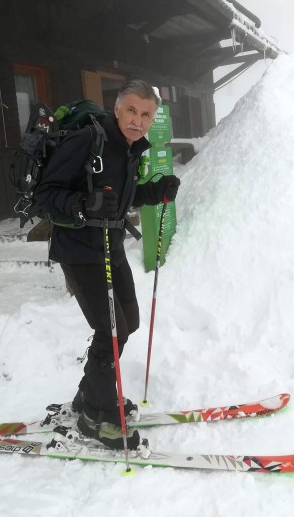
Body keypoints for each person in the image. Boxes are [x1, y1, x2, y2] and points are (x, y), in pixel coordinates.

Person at [35, 80, 180, 450]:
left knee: (126, 322)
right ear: (117, 109)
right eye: (132, 110)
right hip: (81, 252)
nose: (138, 121)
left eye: (146, 114)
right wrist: (84, 206)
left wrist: (155, 192)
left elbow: (119, 200)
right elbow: (46, 195)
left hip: (110, 248)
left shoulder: (129, 149)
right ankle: (97, 417)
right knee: (110, 329)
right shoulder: (89, 139)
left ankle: (89, 394)